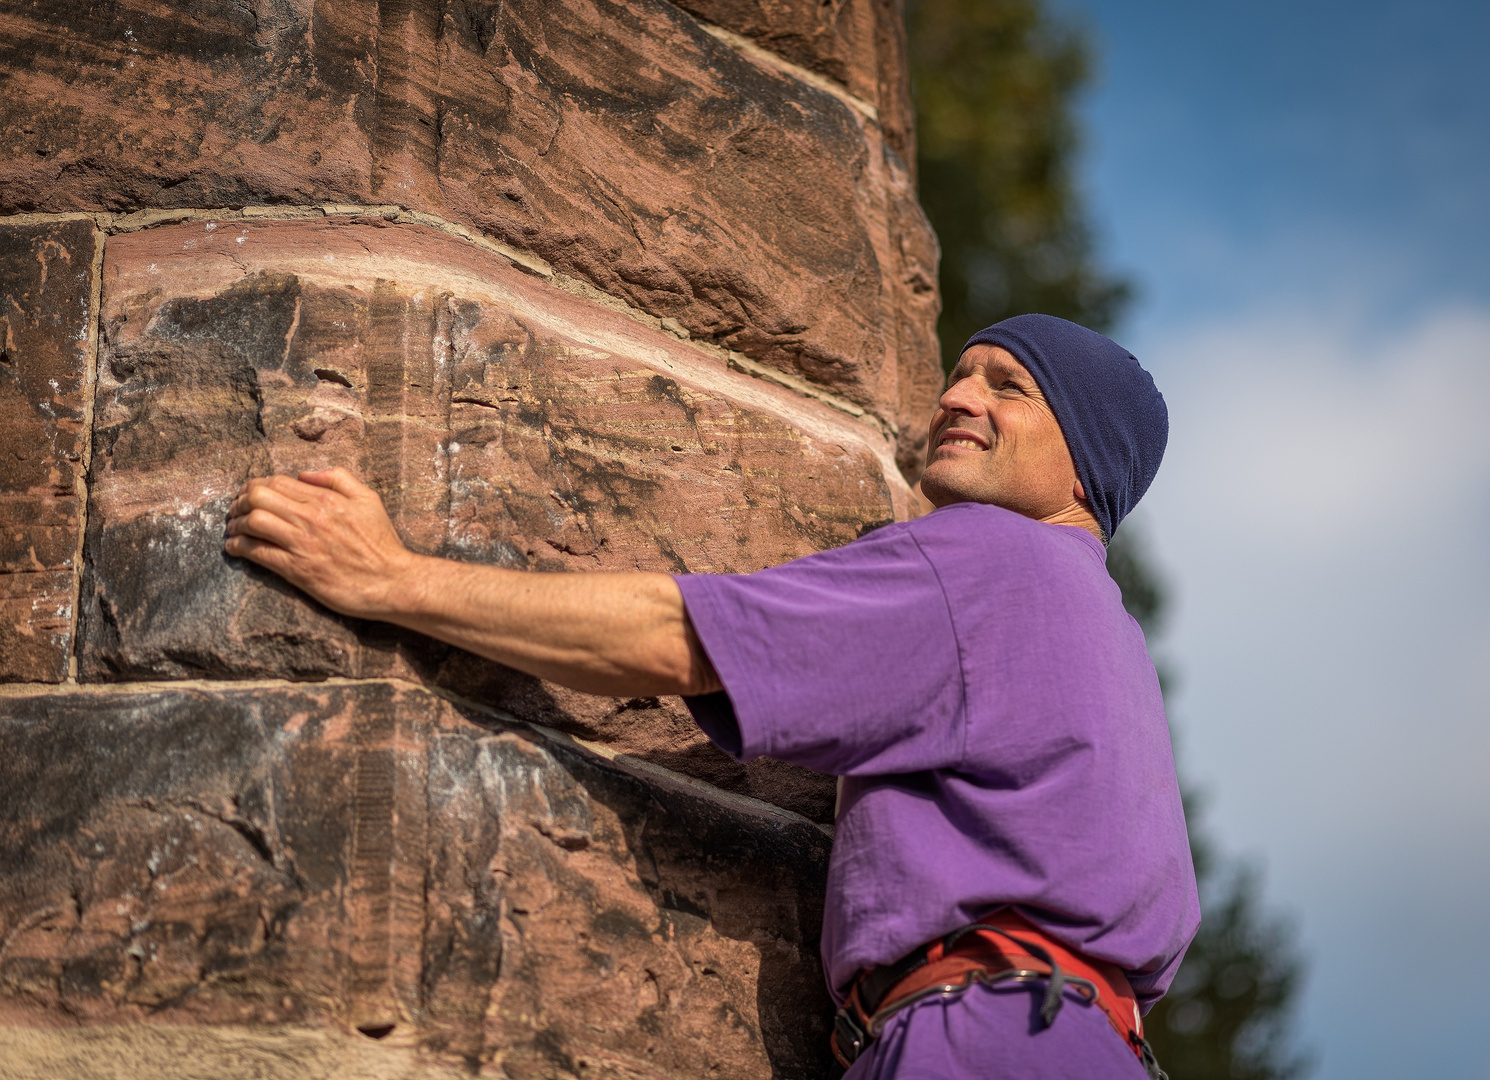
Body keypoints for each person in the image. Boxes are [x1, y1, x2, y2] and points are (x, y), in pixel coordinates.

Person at [225, 314, 1199, 1079]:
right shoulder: (1107, 635)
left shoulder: (992, 560)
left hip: (984, 1043)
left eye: (1006, 384)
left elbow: (675, 636)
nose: (955, 395)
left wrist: (388, 578)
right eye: (958, 371)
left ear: (1084, 457)